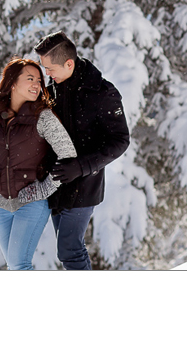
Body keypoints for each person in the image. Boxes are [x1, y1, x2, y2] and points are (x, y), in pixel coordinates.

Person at [33, 31, 129, 270]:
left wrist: (81, 166)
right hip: (56, 183)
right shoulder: (52, 90)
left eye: (50, 69)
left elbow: (120, 140)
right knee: (71, 250)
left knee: (69, 249)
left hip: (85, 183)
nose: (47, 75)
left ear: (69, 63)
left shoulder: (103, 92)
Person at [0, 57, 77, 270]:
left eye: (39, 80)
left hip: (31, 203)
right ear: (12, 83)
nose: (37, 84)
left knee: (19, 265)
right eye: (30, 79)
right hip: (3, 203)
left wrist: (43, 189)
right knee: (13, 266)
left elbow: (68, 155)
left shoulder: (42, 117)